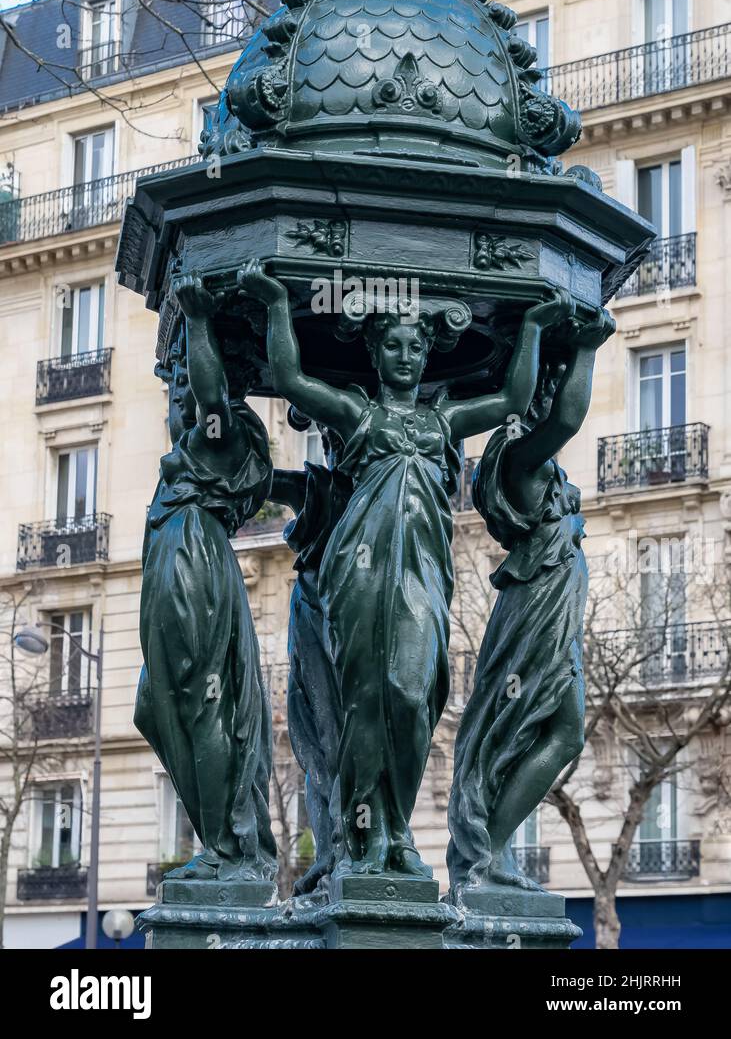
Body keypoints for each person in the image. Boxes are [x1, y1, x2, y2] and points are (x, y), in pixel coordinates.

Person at [239, 257, 573, 878]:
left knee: (415, 695)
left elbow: (513, 398)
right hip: (361, 577)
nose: (403, 355)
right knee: (369, 697)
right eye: (390, 343)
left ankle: (397, 827)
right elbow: (288, 376)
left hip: (422, 577)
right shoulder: (358, 415)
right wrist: (276, 304)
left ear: (425, 353)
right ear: (376, 350)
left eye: (414, 345)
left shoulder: (441, 421)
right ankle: (368, 838)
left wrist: (534, 326)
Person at [447, 306, 615, 897]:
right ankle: (484, 857)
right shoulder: (519, 462)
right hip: (536, 611)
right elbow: (567, 421)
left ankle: (488, 854)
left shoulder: (543, 474)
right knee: (548, 729)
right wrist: (586, 348)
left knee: (560, 732)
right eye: (544, 384)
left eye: (554, 384)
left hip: (555, 613)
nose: (552, 395)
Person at [134, 272, 277, 883]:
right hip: (168, 559)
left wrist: (197, 323)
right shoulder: (184, 457)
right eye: (173, 392)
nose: (179, 402)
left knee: (200, 703)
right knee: (152, 707)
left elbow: (214, 407)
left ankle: (224, 848)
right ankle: (218, 840)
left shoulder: (224, 437)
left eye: (185, 387)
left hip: (194, 555)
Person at [269, 420, 352, 895]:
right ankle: (330, 853)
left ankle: (345, 849)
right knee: (320, 748)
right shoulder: (319, 485)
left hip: (349, 612)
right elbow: (263, 479)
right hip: (316, 608)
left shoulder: (388, 480)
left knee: (337, 745)